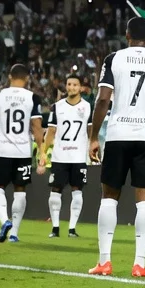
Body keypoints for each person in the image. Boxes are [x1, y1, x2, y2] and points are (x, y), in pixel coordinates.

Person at [88, 17, 145, 278]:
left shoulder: (113, 59)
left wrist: (94, 136)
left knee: (108, 197)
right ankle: (139, 264)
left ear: (127, 35)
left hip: (117, 135)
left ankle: (104, 262)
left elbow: (103, 99)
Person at [0, 63, 44, 243]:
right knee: (20, 190)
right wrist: (41, 150)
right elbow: (36, 126)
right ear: (27, 78)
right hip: (23, 151)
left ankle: (4, 220)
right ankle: (14, 233)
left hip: (2, 151)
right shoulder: (32, 97)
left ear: (9, 76)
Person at [42, 74, 91, 238]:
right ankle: (55, 228)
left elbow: (91, 132)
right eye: (69, 84)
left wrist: (93, 148)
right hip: (59, 157)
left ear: (81, 88)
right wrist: (43, 151)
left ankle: (72, 229)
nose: (71, 87)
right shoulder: (57, 107)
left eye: (75, 85)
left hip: (78, 157)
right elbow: (51, 132)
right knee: (56, 190)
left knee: (77, 191)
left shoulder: (88, 107)